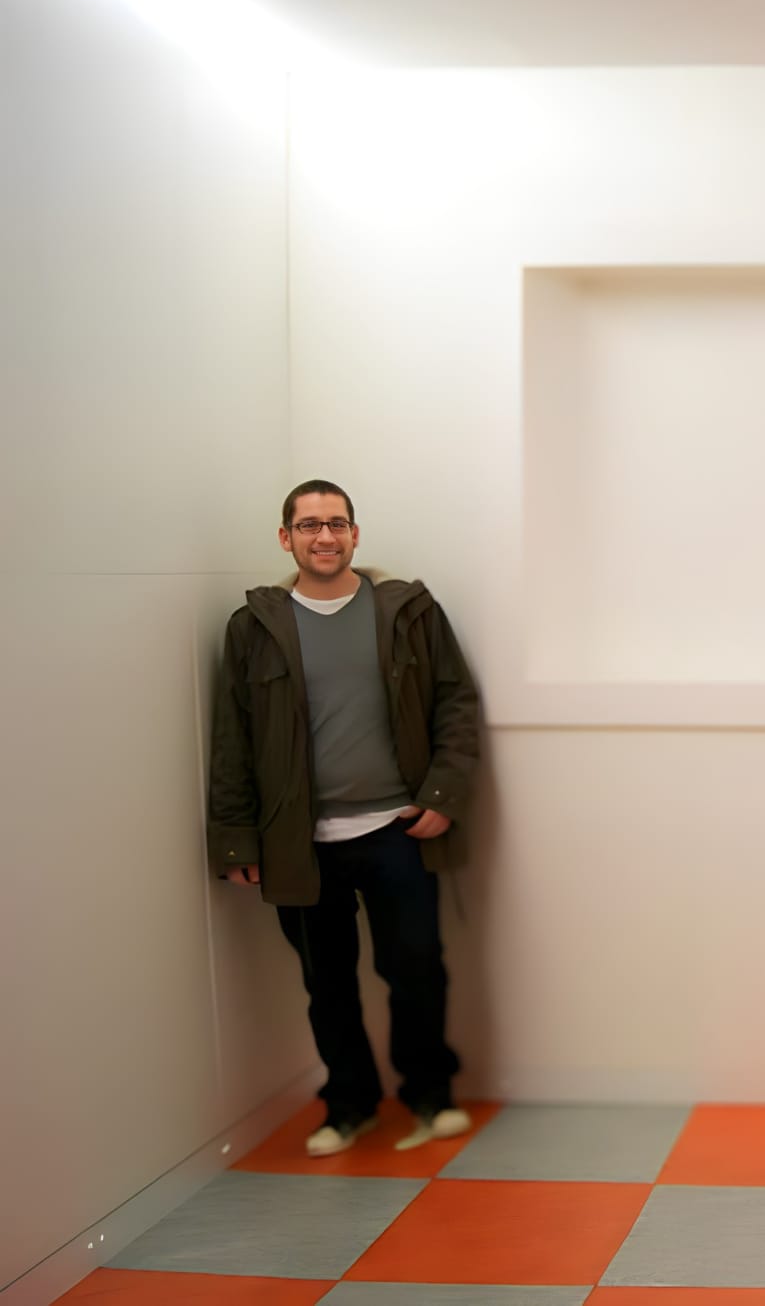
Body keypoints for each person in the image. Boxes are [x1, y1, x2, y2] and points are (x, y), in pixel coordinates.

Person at [207, 480, 482, 1155]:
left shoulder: (408, 611)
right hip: (299, 842)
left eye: (336, 523)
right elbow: (233, 738)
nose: (324, 536)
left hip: (398, 832)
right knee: (325, 983)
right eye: (309, 525)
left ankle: (431, 1095)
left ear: (355, 534)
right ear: (286, 538)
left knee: (416, 969)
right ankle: (349, 1105)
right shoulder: (254, 627)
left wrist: (442, 797)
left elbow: (456, 704)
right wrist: (237, 840)